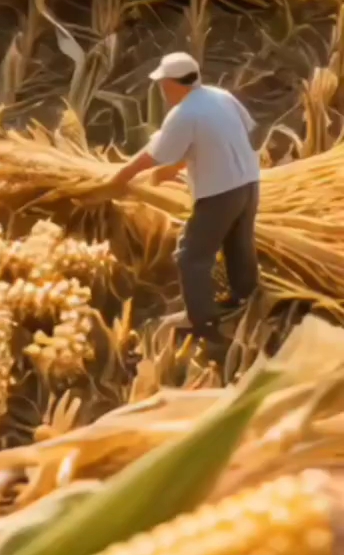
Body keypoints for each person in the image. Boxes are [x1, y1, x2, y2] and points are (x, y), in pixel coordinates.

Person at [104, 53, 260, 344]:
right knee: (238, 242)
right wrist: (173, 169)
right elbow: (231, 133)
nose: (163, 91)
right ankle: (245, 298)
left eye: (164, 84)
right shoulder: (220, 96)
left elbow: (150, 156)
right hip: (250, 183)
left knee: (191, 256)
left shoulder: (184, 113)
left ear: (177, 84)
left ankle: (201, 320)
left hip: (221, 192)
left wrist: (117, 180)